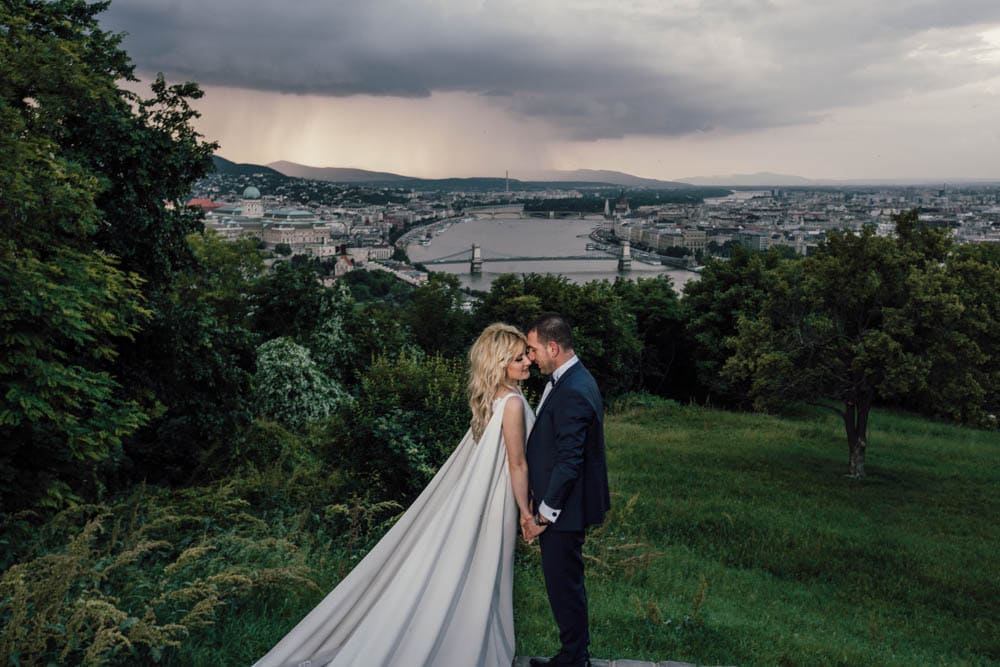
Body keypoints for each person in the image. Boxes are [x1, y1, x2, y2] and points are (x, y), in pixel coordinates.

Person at [253, 323, 536, 667]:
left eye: (526, 356)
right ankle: (465, 642)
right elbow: (517, 463)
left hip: (492, 495)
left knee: (478, 568)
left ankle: (461, 634)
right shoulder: (513, 404)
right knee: (486, 568)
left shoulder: (495, 397)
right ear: (500, 363)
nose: (527, 362)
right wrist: (526, 511)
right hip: (501, 497)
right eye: (519, 358)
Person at [521, 313, 611, 667]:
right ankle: (573, 655)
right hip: (564, 505)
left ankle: (575, 659)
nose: (530, 357)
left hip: (565, 509)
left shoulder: (572, 389)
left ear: (553, 347)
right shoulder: (568, 379)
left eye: (533, 350)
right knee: (565, 584)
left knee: (565, 587)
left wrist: (544, 513)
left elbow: (569, 462)